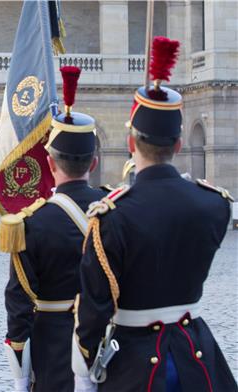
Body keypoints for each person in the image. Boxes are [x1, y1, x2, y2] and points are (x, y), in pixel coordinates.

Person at [72, 37, 237, 391]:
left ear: (131, 143)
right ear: (178, 145)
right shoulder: (215, 204)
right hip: (197, 354)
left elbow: (94, 308)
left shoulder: (112, 215)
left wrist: (86, 365)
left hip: (134, 359)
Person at [3, 66, 105, 392]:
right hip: (109, 342)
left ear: (49, 165)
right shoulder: (118, 213)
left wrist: (20, 378)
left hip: (52, 345)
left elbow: (18, 306)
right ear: (93, 163)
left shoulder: (31, 223)